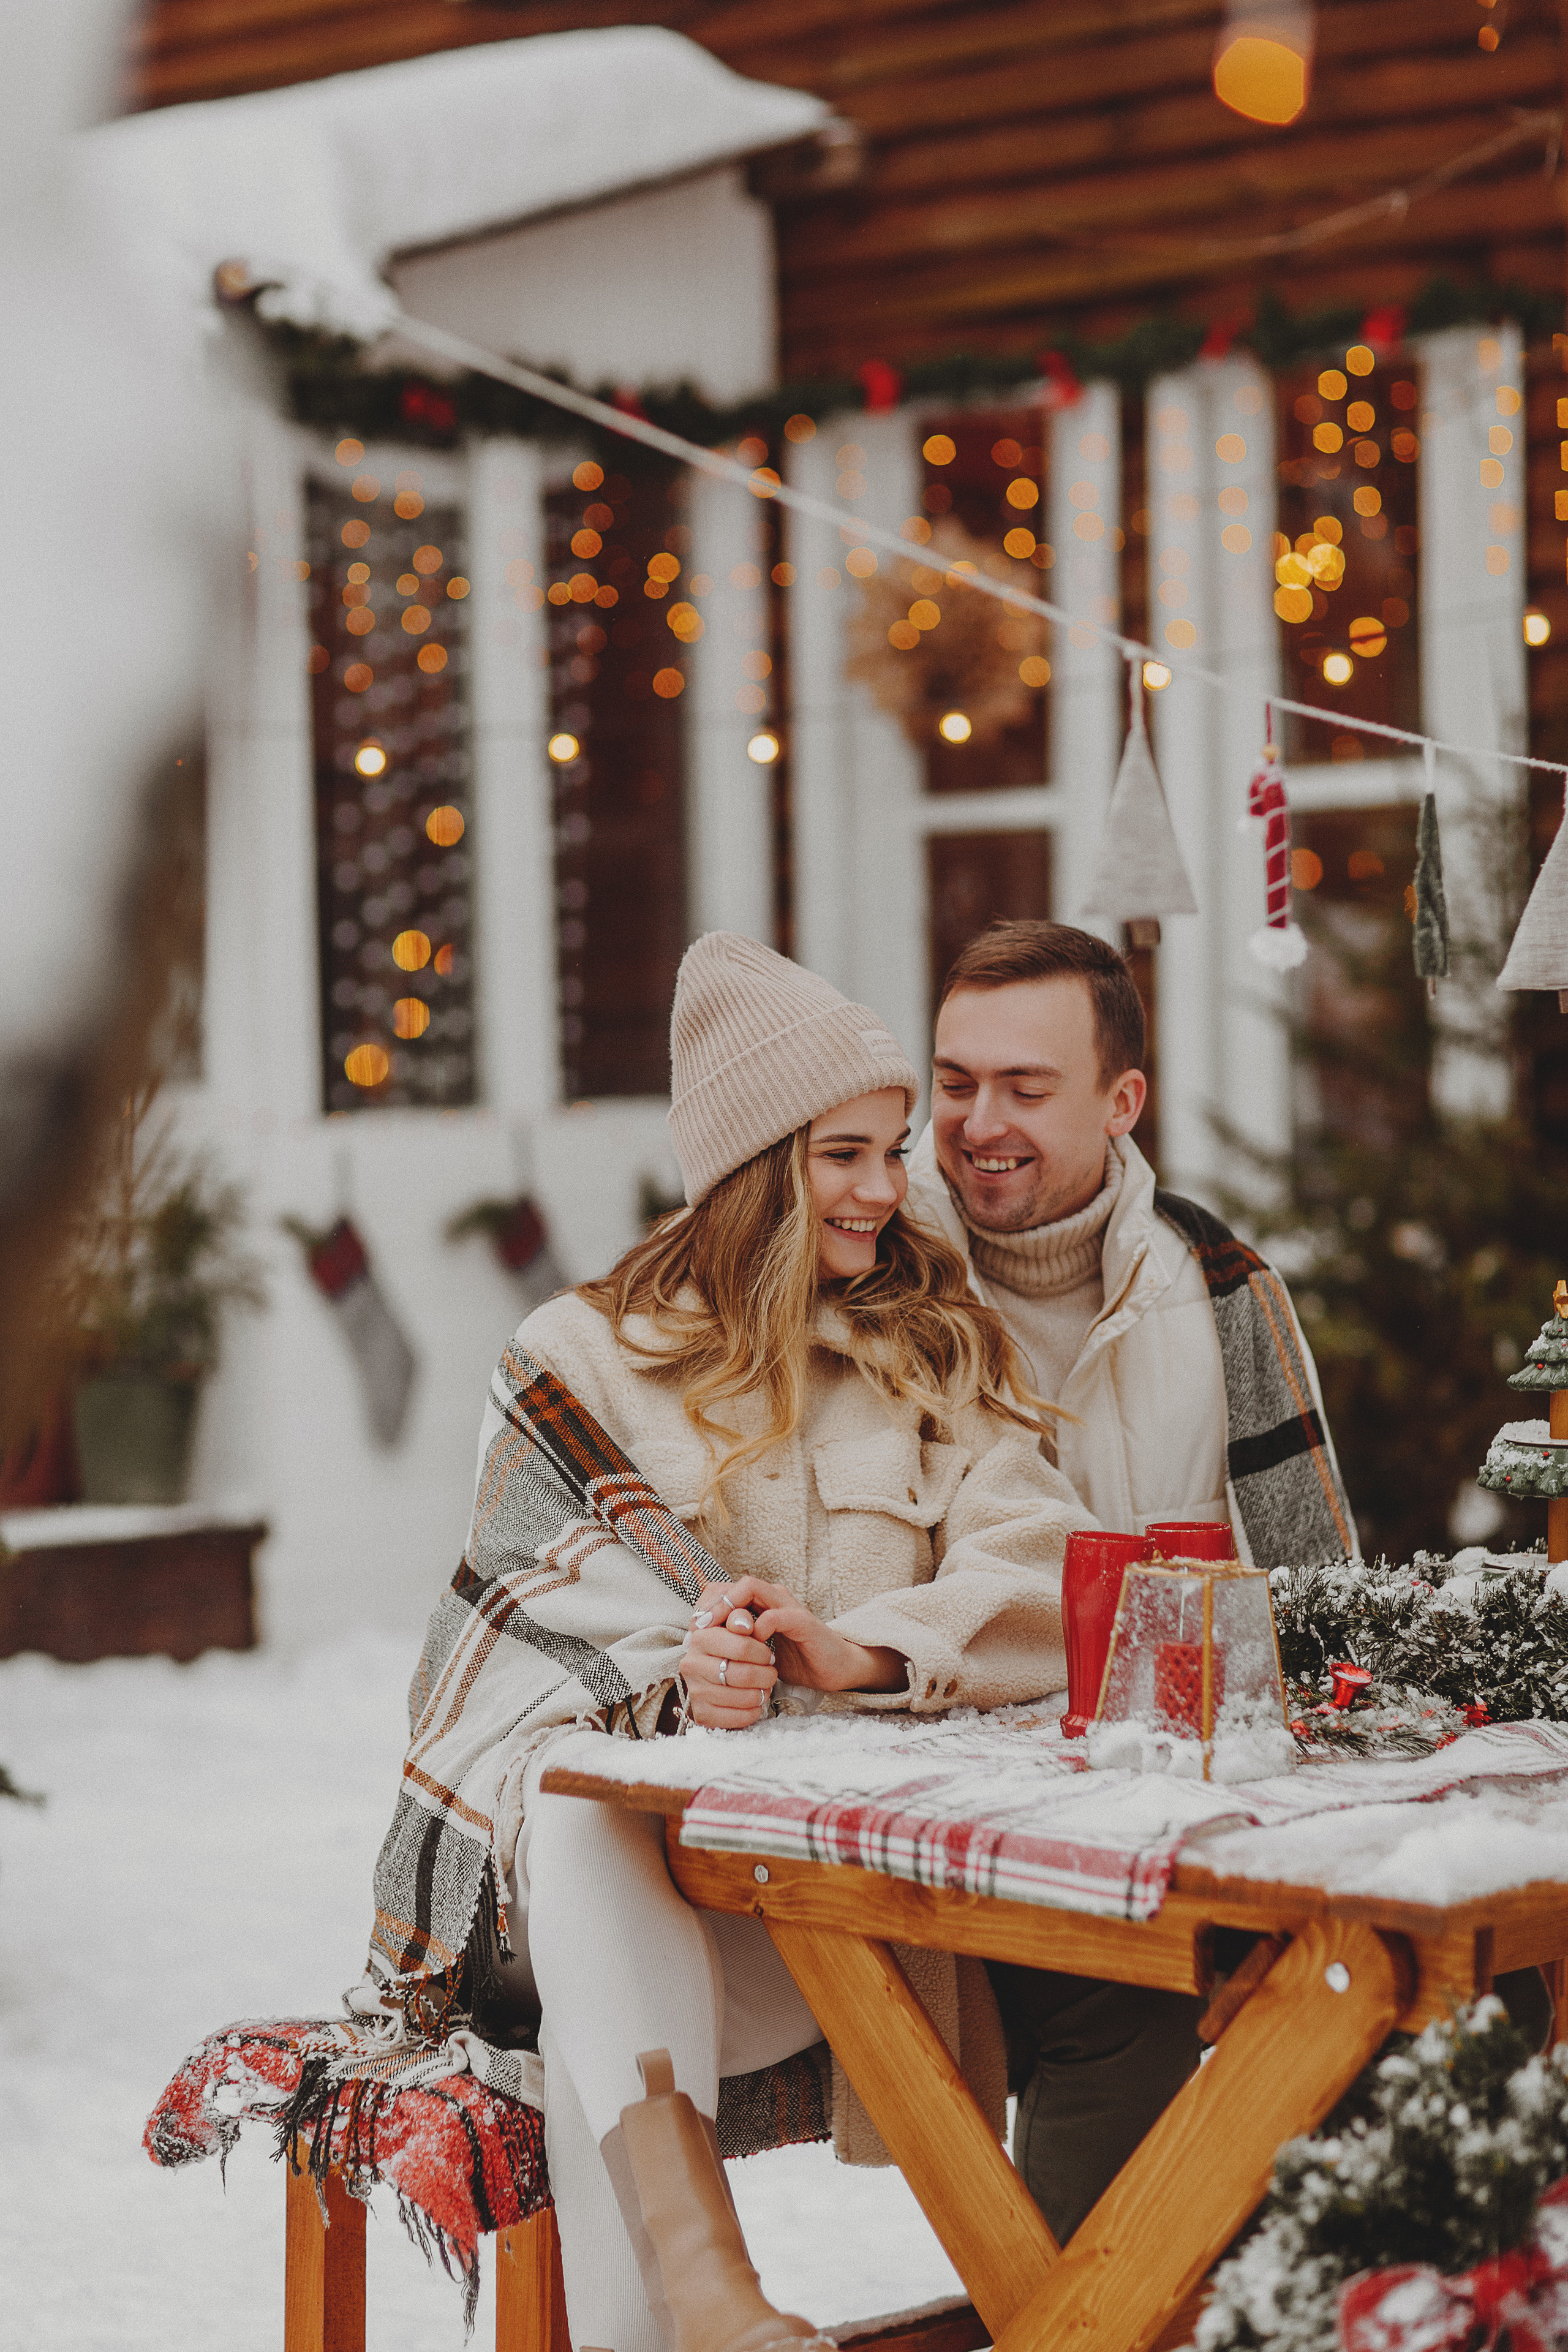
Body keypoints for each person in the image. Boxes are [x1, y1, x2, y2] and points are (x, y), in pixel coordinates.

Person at [462, 933, 1096, 2352]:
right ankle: (705, 2300)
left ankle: (684, 2315)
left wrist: (859, 1652)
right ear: (751, 1163)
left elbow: (1045, 1561)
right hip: (645, 1900)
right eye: (842, 1156)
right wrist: (681, 1677)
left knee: (593, 1993)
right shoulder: (576, 1360)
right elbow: (518, 1643)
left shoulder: (929, 1342)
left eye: (892, 1150)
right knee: (574, 1803)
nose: (887, 1188)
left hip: (846, 1925)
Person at [905, 919, 1355, 1566]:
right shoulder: (866, 1278)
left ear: (1121, 1102)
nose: (979, 1123)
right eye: (954, 1085)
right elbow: (728, 1559)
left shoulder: (1226, 1288)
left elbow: (1320, 1588)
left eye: (1025, 1090)